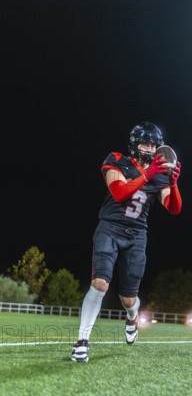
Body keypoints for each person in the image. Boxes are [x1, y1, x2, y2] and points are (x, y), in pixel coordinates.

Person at [71, 122, 182, 362]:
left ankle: (132, 317)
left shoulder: (159, 174)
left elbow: (173, 208)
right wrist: (148, 174)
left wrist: (173, 184)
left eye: (153, 145)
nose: (149, 149)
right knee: (100, 283)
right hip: (110, 228)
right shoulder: (116, 159)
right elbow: (119, 192)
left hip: (137, 235)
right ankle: (82, 341)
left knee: (128, 299)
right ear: (134, 144)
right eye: (144, 143)